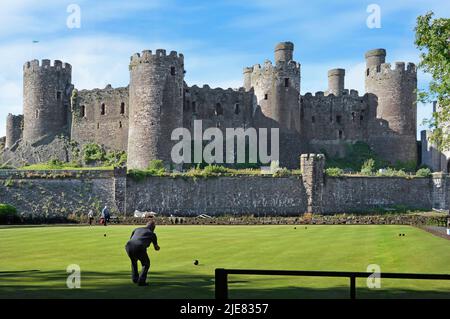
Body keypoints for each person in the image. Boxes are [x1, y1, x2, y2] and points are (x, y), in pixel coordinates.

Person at [125, 220, 160, 286]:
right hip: (139, 247)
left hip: (128, 246)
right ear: (153, 227)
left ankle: (135, 279)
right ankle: (141, 281)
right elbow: (156, 248)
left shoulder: (137, 229)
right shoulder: (152, 234)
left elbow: (132, 239)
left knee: (134, 261)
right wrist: (158, 247)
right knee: (146, 264)